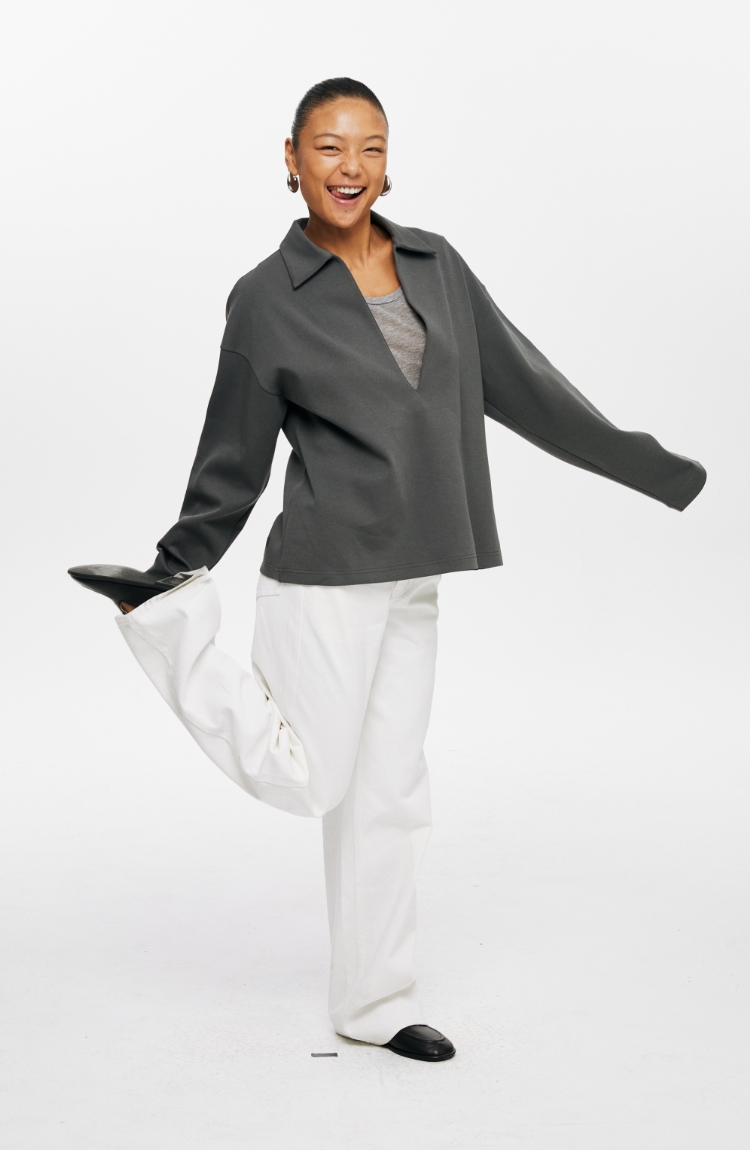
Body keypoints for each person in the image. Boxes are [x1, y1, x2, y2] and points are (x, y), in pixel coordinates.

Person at [69, 77, 706, 1063]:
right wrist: (176, 563)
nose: (351, 167)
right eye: (329, 147)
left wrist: (649, 467)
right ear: (291, 160)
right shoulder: (266, 298)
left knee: (391, 793)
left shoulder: (436, 264)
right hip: (324, 572)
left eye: (369, 146)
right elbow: (234, 456)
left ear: (388, 159)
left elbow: (526, 386)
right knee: (309, 779)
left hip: (416, 569)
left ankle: (373, 1003)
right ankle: (159, 618)